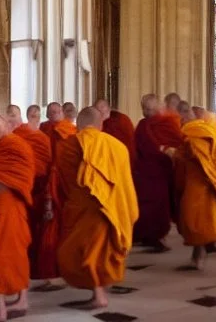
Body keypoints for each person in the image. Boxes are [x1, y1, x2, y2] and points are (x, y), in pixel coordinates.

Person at [56, 107, 138, 310]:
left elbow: (66, 181)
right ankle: (100, 290)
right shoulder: (118, 147)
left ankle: (99, 295)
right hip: (111, 207)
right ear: (101, 124)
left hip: (85, 207)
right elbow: (125, 182)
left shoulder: (68, 145)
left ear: (78, 125)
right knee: (100, 250)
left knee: (81, 252)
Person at [0, 114, 35, 321]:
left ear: (3, 127)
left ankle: (1, 308)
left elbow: (22, 176)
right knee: (12, 253)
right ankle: (21, 299)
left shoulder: (15, 146)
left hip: (9, 207)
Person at [164, 102, 216, 269]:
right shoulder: (202, 130)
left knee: (194, 220)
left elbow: (200, 157)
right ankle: (199, 255)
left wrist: (173, 153)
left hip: (200, 183)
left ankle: (200, 256)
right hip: (200, 181)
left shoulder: (196, 131)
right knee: (199, 219)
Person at [7, 105, 61, 292]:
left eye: (37, 116)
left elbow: (50, 163)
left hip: (40, 188)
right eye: (32, 115)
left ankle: (41, 271)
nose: (34, 118)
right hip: (20, 190)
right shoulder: (16, 136)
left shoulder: (41, 137)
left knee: (41, 232)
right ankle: (22, 269)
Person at [132, 94, 183, 251]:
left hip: (161, 170)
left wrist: (169, 151)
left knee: (161, 205)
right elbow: (139, 146)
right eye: (145, 109)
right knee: (145, 205)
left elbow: (178, 140)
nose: (147, 112)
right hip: (145, 171)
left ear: (158, 107)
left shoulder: (167, 122)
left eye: (150, 109)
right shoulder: (142, 125)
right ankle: (146, 236)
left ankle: (157, 236)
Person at [94, 99, 136, 164]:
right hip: (109, 160)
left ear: (109, 108)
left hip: (125, 157)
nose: (100, 110)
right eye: (97, 108)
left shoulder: (122, 118)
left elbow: (131, 137)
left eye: (102, 107)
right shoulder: (96, 124)